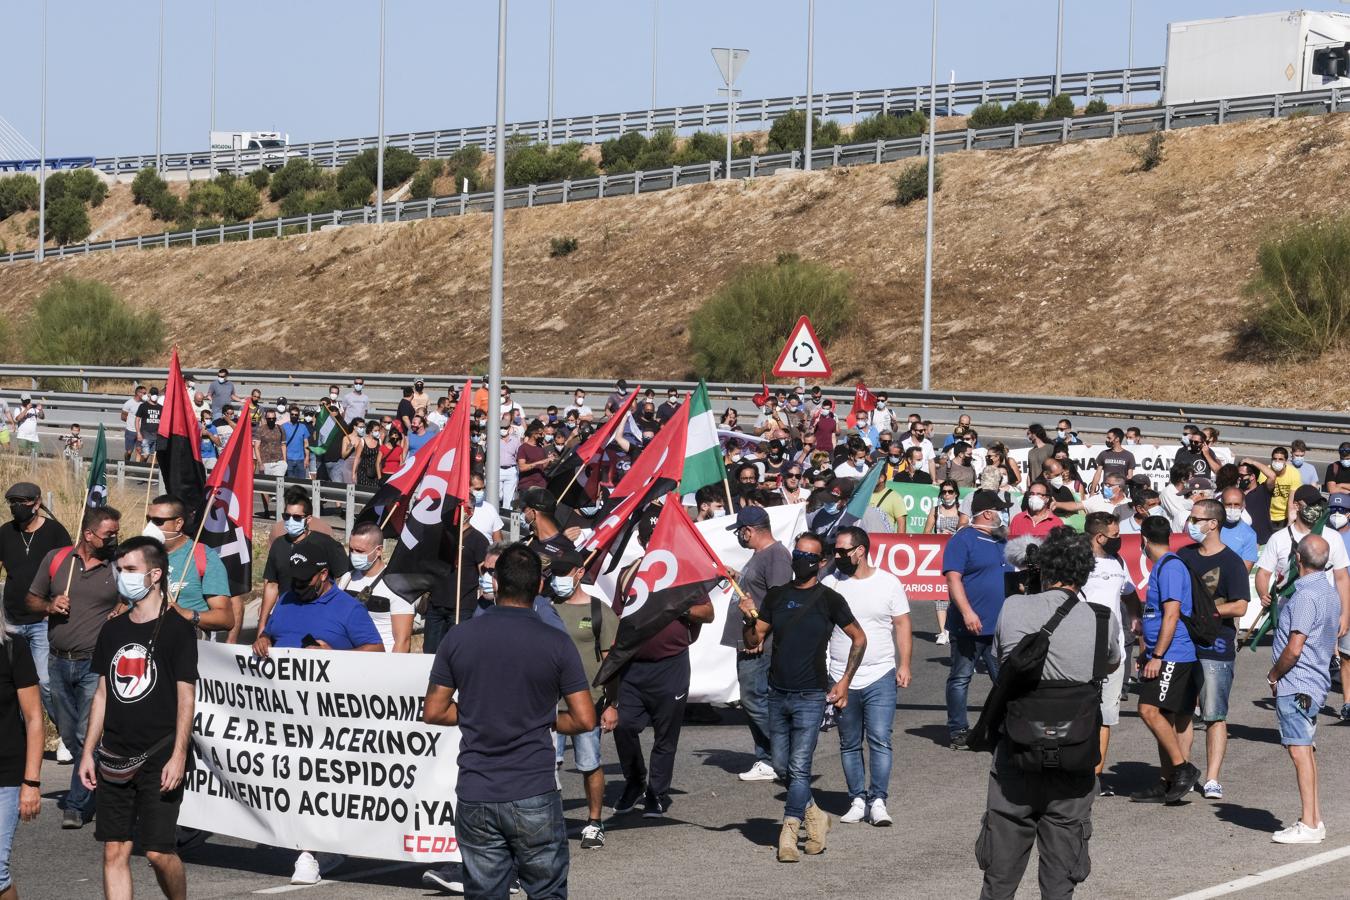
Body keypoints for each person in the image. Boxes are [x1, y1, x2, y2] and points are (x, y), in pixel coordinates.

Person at [424, 544, 594, 897]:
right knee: (546, 891)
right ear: (540, 588)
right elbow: (584, 719)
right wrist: (546, 720)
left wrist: (474, 713)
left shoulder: (459, 637)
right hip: (533, 788)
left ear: (497, 584)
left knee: (485, 892)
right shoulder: (556, 643)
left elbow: (435, 711)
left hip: (477, 792)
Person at [978, 527, 1120, 900]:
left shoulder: (1013, 608)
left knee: (999, 878)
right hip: (1075, 753)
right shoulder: (1102, 618)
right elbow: (1111, 662)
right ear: (1086, 571)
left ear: (1040, 567)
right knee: (1061, 880)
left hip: (1017, 752)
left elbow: (999, 659)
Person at [253, 544, 382, 884]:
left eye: (303, 579)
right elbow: (274, 631)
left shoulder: (349, 609)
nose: (296, 585)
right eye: (292, 579)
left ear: (324, 575)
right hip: (282, 712)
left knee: (314, 782)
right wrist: (264, 637)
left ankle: (310, 853)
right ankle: (315, 844)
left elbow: (377, 653)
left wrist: (334, 655)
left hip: (326, 719)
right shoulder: (286, 599)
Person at [78, 537, 197, 900]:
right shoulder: (113, 629)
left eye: (131, 570)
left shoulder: (177, 629)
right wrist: (88, 752)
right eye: (120, 570)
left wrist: (179, 755)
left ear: (155, 574)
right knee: (114, 851)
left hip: (159, 757)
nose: (122, 577)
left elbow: (185, 696)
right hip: (114, 755)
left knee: (160, 853)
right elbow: (102, 693)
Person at [741, 531, 866, 862]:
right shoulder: (778, 596)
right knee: (782, 766)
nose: (800, 561)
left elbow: (859, 637)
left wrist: (844, 681)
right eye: (797, 554)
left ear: (821, 562)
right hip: (777, 692)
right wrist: (748, 616)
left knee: (799, 765)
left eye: (809, 557)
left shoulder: (829, 599)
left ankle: (789, 830)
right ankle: (816, 816)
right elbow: (755, 639)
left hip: (810, 694)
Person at [610, 512, 715, 820]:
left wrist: (676, 606)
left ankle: (657, 793)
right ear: (643, 541)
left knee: (666, 735)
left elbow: (707, 613)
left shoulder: (685, 572)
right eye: (651, 539)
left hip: (670, 666)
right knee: (624, 725)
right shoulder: (629, 573)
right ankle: (634, 781)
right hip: (632, 667)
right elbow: (620, 617)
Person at [26, 505, 121, 829]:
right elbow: (32, 599)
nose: (114, 539)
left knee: (85, 734)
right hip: (57, 662)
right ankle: (103, 780)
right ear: (89, 534)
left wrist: (122, 609)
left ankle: (78, 805)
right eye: (109, 534)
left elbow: (136, 600)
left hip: (95, 665)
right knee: (70, 735)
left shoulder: (117, 565)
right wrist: (49, 605)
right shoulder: (57, 560)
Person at [824, 526, 911, 827]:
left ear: (859, 551)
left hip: (880, 673)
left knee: (880, 739)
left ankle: (878, 801)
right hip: (839, 676)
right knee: (849, 742)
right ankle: (857, 799)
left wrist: (905, 664)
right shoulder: (830, 583)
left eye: (842, 551)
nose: (836, 556)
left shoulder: (888, 583)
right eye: (835, 550)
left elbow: (901, 625)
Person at [1267, 535, 1340, 844]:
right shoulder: (1328, 591)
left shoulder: (1306, 597)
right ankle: (1313, 819)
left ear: (1298, 558)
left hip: (1299, 682)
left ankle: (1309, 824)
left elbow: (1294, 648)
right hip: (1313, 680)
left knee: (1299, 751)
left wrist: (1273, 675)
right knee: (1304, 751)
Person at [1177, 498, 1250, 801]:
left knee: (1214, 714)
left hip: (1216, 647)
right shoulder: (1183, 555)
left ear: (1212, 524)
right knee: (1180, 712)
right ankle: (1181, 772)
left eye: (1196, 519)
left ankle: (1212, 778)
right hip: (1182, 645)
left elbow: (1241, 605)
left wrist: (1210, 613)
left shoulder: (1232, 562)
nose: (1190, 524)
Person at [548, 551, 619, 851]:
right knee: (545, 767)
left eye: (563, 573)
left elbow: (611, 662)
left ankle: (594, 822)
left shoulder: (598, 611)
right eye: (554, 573)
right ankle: (547, 823)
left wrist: (613, 704)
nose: (556, 579)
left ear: (579, 573)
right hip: (547, 705)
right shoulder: (545, 609)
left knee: (590, 764)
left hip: (587, 705)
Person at [1131, 516, 1202, 804]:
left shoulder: (1171, 567)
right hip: (1161, 653)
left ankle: (1183, 768)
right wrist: (1147, 651)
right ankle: (1167, 779)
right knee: (1163, 715)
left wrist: (1157, 655)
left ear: (1143, 540)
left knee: (1148, 710)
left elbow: (1172, 614)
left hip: (1173, 654)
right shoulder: (1162, 566)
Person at [726, 506, 792, 783]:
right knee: (754, 698)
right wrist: (737, 576)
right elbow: (758, 589)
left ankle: (783, 756)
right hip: (750, 637)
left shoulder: (776, 556)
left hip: (760, 641)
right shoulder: (760, 556)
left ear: (749, 530)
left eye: (740, 531)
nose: (739, 536)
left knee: (755, 698)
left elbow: (778, 600)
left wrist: (761, 634)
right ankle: (767, 758)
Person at [944, 490, 1014, 749]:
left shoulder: (1001, 541)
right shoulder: (963, 540)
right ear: (987, 513)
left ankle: (1005, 729)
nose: (1005, 514)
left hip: (1000, 626)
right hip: (969, 625)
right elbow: (953, 579)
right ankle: (958, 730)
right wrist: (967, 612)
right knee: (961, 678)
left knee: (1004, 681)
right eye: (1001, 510)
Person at [1, 482, 72, 729]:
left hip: (42, 620)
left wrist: (55, 603)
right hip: (11, 620)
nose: (16, 507)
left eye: (22, 502)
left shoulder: (55, 533)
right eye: (12, 503)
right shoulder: (5, 532)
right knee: (15, 682)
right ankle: (21, 734)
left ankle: (65, 732)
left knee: (44, 681)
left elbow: (67, 572)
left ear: (37, 503)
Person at [1081, 513, 1137, 797]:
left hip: (1114, 651)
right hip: (1080, 650)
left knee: (1105, 716)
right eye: (1115, 536)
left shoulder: (1119, 562)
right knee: (1079, 713)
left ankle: (1095, 776)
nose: (1119, 540)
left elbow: (1128, 593)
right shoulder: (1078, 562)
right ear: (1100, 536)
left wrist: (1137, 617)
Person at [256, 492, 349, 638]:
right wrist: (262, 624)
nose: (291, 521)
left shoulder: (325, 543)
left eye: (297, 517)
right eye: (287, 516)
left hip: (318, 617)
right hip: (286, 613)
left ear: (308, 519)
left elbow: (344, 576)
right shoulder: (279, 545)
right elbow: (272, 585)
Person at [143, 495, 232, 634]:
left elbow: (225, 618)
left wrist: (188, 614)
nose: (150, 527)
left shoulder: (204, 556)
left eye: (158, 521)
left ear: (178, 523)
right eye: (148, 520)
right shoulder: (139, 554)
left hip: (185, 643)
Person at [337, 522, 414, 653]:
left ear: (378, 550)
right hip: (348, 656)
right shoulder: (347, 578)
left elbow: (402, 640)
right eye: (351, 550)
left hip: (380, 660)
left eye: (360, 551)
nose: (354, 555)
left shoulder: (398, 586)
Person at [1244, 448, 1301, 530]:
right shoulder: (1265, 473)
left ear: (1286, 461)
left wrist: (1290, 524)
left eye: (1281, 459)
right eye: (1275, 459)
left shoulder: (1293, 473)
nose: (1277, 462)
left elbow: (1291, 502)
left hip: (1284, 516)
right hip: (1267, 515)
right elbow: (1261, 497)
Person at [1218, 486, 1259, 571]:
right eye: (1228, 504)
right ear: (1221, 504)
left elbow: (1244, 571)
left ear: (1243, 505)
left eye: (1236, 504)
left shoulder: (1249, 534)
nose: (1232, 508)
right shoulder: (1211, 527)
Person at [1090, 428, 1135, 493]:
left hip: (1121, 492)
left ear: (1117, 439)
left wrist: (1130, 493)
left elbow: (1130, 476)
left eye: (1109, 438)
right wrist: (1092, 491)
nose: (1107, 440)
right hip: (1106, 491)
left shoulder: (1129, 455)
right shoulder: (1104, 454)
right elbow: (1098, 474)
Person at [280, 406, 310, 480]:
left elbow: (306, 443)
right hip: (288, 459)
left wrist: (307, 457)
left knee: (301, 483)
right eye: (292, 414)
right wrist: (284, 460)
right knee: (290, 483)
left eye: (296, 415)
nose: (294, 416)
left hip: (301, 460)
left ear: (298, 416)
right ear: (290, 415)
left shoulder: (303, 427)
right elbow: (282, 444)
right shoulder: (283, 426)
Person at [134, 388, 162, 460]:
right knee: (145, 455)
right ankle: (141, 469)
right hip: (145, 435)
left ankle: (149, 470)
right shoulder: (143, 406)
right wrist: (138, 433)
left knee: (154, 457)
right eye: (153, 394)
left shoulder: (160, 407)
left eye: (156, 394)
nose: (154, 396)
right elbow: (137, 420)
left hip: (156, 436)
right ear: (149, 395)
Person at [121, 386, 146, 462]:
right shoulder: (129, 403)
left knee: (139, 450)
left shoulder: (144, 403)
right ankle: (126, 463)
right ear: (138, 393)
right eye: (144, 393)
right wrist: (131, 423)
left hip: (141, 431)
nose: (145, 395)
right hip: (130, 431)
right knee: (129, 451)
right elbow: (123, 417)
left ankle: (136, 467)